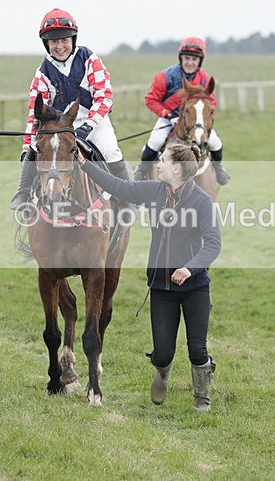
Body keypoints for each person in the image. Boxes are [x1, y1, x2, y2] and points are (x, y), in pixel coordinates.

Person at [78, 141, 221, 411]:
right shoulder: (154, 191)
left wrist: (190, 268)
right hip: (161, 287)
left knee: (197, 349)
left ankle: (202, 398)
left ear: (177, 169)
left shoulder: (202, 201)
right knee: (163, 353)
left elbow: (213, 243)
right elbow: (118, 186)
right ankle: (163, 374)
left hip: (195, 287)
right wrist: (84, 164)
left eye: (163, 160)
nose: (157, 164)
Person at [10, 8, 134, 212]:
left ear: (73, 39)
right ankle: (23, 193)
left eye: (64, 40)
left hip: (94, 120)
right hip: (59, 126)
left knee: (111, 151)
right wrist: (26, 149)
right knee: (34, 149)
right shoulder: (42, 73)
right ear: (47, 44)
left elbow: (104, 97)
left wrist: (89, 125)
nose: (60, 47)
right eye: (54, 42)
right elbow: (35, 115)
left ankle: (127, 199)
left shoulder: (90, 59)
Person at [134, 37, 230, 185]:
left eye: (194, 59)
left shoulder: (205, 79)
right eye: (187, 58)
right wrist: (168, 114)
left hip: (196, 121)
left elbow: (212, 104)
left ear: (200, 61)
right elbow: (151, 100)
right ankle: (141, 169)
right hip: (169, 117)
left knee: (215, 142)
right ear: (181, 58)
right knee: (156, 141)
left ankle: (219, 169)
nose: (190, 62)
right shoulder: (165, 76)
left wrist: (203, 119)